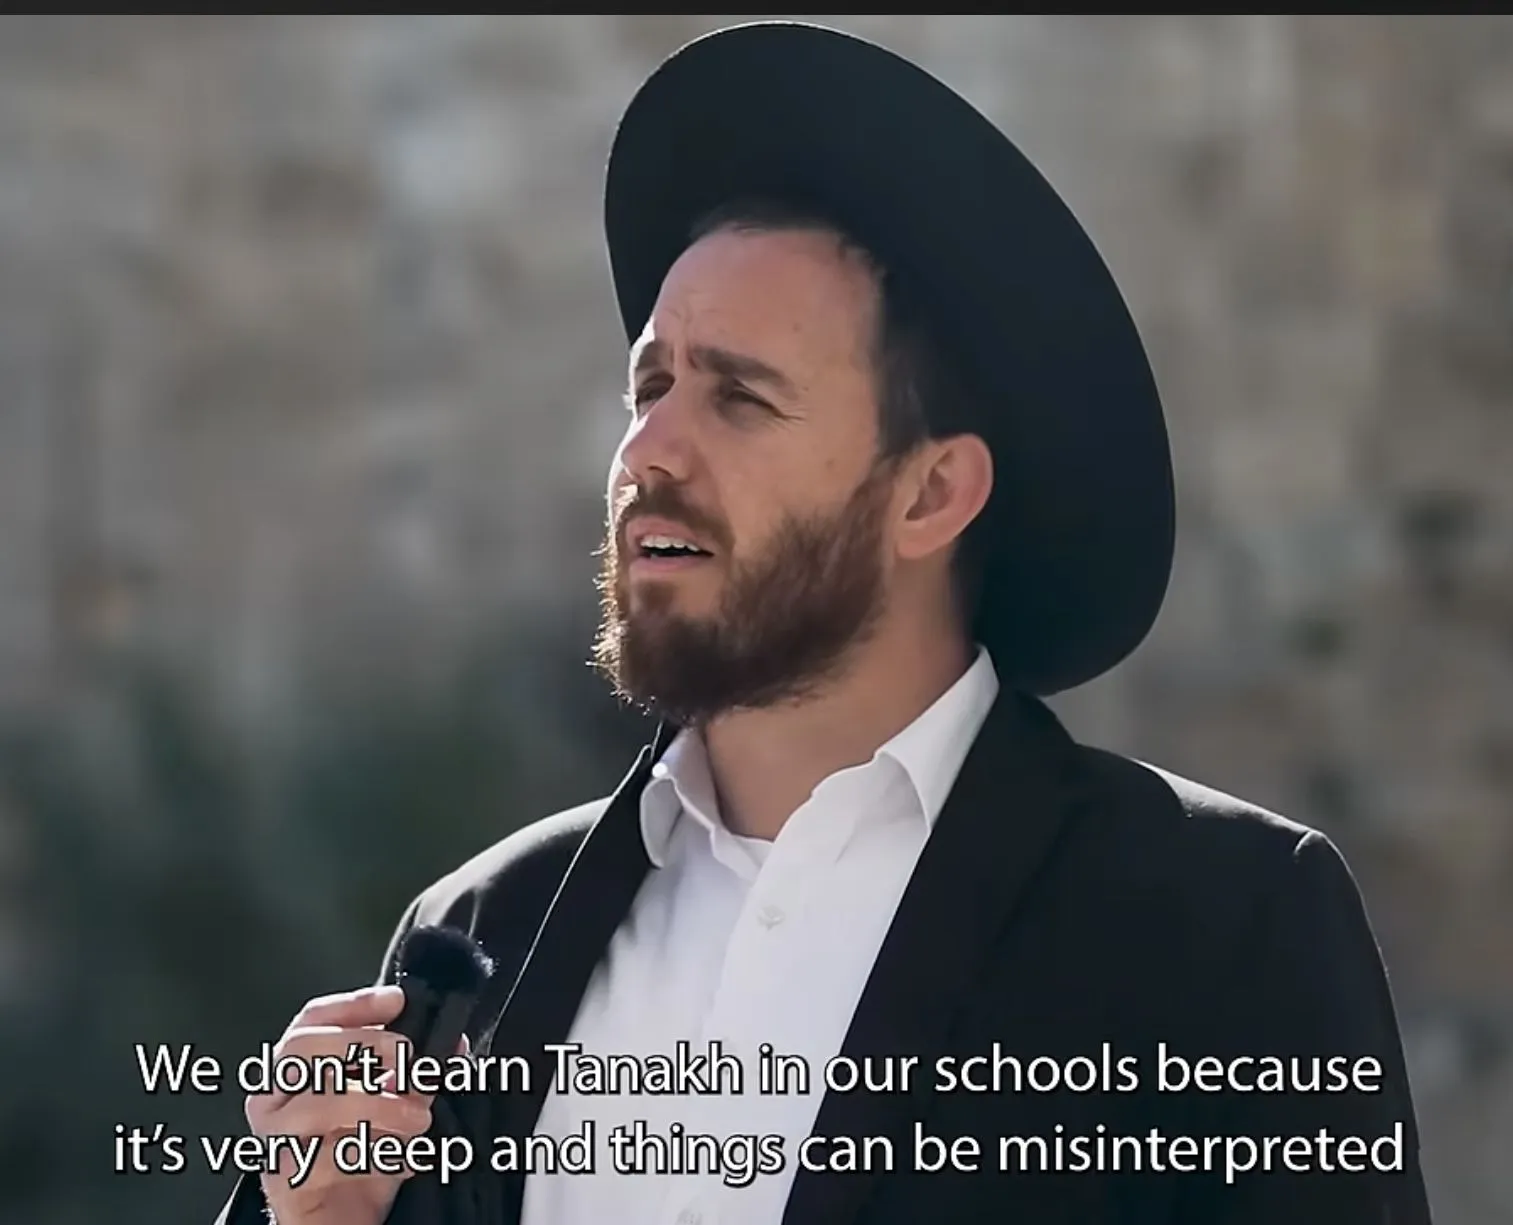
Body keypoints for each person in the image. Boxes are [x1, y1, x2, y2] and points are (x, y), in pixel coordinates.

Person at [214, 20, 1432, 1225]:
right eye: (650, 385)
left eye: (739, 398)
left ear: (931, 494)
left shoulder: (1217, 925)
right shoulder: (479, 933)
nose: (647, 451)